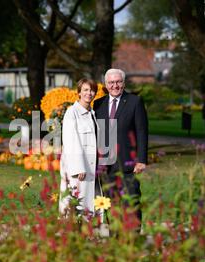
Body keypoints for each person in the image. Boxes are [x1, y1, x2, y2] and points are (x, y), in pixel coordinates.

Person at [93, 68, 148, 230]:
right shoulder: (98, 104)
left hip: (128, 163)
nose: (115, 85)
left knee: (132, 201)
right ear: (106, 84)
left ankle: (134, 239)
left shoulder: (134, 102)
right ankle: (116, 240)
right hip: (105, 165)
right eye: (111, 82)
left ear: (123, 83)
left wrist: (142, 160)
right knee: (111, 203)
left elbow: (142, 131)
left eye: (118, 82)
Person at [59, 78, 100, 218]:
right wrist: (78, 167)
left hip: (91, 166)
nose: (89, 93)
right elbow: (70, 141)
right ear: (79, 93)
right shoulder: (72, 113)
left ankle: (87, 232)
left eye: (92, 90)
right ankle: (70, 232)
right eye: (86, 90)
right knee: (74, 201)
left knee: (87, 201)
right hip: (79, 169)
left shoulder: (92, 114)